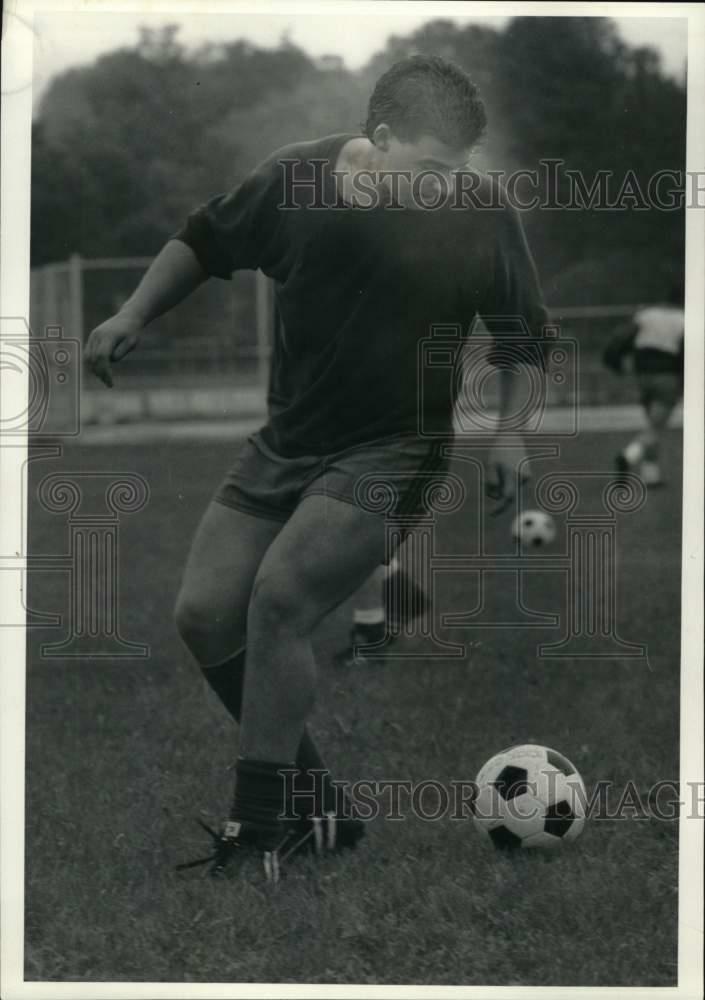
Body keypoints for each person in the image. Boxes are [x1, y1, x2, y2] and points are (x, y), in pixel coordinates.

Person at [85, 55, 548, 880]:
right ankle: (318, 809)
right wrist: (131, 312)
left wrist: (509, 437)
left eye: (458, 171)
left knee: (282, 598)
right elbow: (205, 238)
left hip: (395, 447)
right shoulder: (295, 177)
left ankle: (260, 831)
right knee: (202, 615)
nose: (448, 187)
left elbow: (524, 338)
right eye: (431, 169)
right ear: (376, 141)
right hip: (286, 441)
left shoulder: (477, 208)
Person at [603, 284, 684, 487]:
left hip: (642, 374)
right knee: (655, 427)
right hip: (667, 374)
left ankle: (651, 474)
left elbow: (619, 340)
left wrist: (615, 364)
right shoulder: (685, 320)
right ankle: (628, 456)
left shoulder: (647, 315)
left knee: (651, 425)